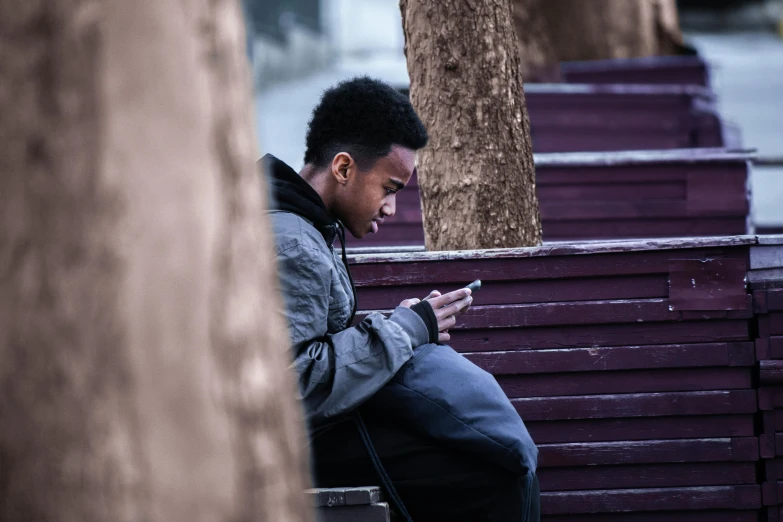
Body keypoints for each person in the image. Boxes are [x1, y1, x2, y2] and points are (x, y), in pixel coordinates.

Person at [264, 76, 539, 522]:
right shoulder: (294, 241)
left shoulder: (302, 227)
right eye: (389, 189)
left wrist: (401, 324)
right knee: (494, 475)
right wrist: (406, 330)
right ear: (343, 168)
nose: (390, 209)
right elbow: (294, 384)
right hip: (291, 442)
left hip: (307, 432)